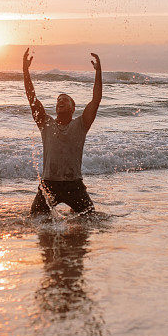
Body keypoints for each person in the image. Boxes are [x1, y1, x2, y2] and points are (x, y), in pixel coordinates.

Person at [22, 48, 102, 215]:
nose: (60, 102)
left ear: (73, 108)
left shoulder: (81, 124)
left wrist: (98, 72)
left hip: (74, 185)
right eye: (58, 100)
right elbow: (32, 98)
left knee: (93, 220)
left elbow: (96, 99)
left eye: (65, 100)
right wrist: (25, 70)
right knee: (34, 220)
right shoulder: (45, 123)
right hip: (49, 185)